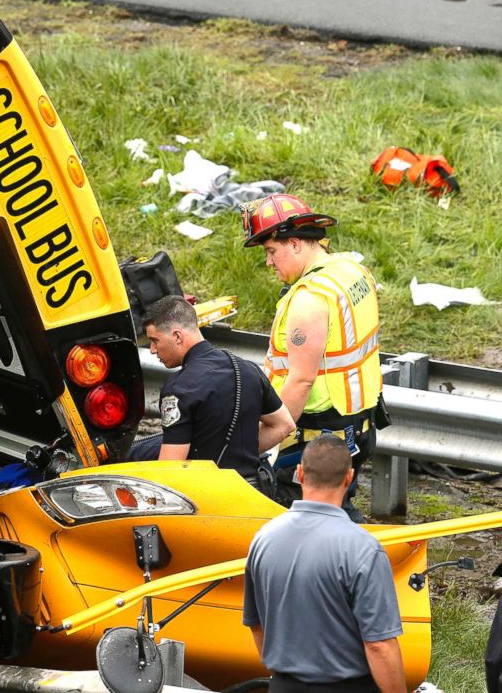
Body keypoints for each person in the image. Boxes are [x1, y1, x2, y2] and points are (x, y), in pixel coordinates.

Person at [240, 194, 386, 520]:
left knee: (306, 523)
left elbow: (301, 378)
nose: (268, 262)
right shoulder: (351, 271)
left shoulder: (309, 301)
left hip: (317, 437)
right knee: (338, 515)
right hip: (358, 424)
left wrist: (265, 440)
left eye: (271, 251)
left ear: (294, 244)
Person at [243, 435, 406, 693]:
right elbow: (379, 645)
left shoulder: (263, 540)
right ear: (349, 477)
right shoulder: (363, 548)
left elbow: (256, 625)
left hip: (284, 686)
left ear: (300, 473)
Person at [130, 295, 294, 494]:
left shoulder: (179, 388)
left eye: (155, 341)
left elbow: (169, 470)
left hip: (208, 499)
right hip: (253, 493)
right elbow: (284, 424)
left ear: (177, 336)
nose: (153, 350)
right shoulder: (249, 370)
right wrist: (240, 454)